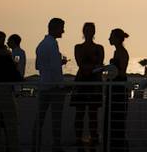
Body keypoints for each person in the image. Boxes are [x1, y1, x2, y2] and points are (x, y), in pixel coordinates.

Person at [33, 17, 68, 152]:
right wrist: (62, 86)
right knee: (56, 119)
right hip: (54, 88)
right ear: (55, 28)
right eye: (61, 28)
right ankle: (56, 146)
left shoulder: (41, 45)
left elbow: (37, 66)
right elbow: (55, 69)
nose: (63, 31)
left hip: (43, 85)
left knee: (39, 118)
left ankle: (35, 145)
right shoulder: (52, 44)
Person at [73, 22, 106, 146]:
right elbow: (80, 63)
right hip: (81, 82)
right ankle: (78, 138)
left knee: (93, 113)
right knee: (79, 112)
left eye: (91, 30)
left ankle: (94, 137)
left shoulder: (99, 48)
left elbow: (100, 63)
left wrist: (90, 68)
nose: (89, 32)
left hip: (94, 83)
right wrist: (92, 67)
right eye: (87, 30)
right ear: (83, 31)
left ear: (94, 32)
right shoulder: (78, 47)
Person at [104, 28, 130, 152]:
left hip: (119, 88)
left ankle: (119, 146)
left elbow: (121, 72)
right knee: (113, 118)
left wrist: (110, 70)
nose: (109, 39)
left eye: (111, 36)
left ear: (117, 39)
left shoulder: (123, 53)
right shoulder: (117, 52)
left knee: (118, 118)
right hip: (114, 87)